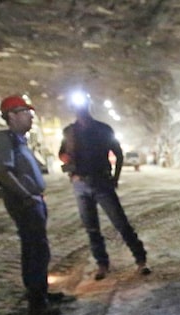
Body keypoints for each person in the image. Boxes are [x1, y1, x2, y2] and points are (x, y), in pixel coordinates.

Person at [0, 95, 72, 315]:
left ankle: (42, 293)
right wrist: (26, 195)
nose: (30, 117)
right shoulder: (4, 139)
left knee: (40, 249)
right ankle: (37, 304)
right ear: (12, 116)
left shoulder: (20, 141)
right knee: (35, 250)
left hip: (33, 200)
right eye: (26, 113)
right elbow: (1, 170)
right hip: (24, 202)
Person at [58, 94, 150, 280]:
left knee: (120, 223)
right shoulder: (69, 132)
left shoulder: (102, 129)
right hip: (81, 185)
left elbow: (118, 154)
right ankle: (102, 264)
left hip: (101, 182)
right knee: (91, 228)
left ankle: (141, 260)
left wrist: (115, 178)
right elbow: (62, 153)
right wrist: (70, 165)